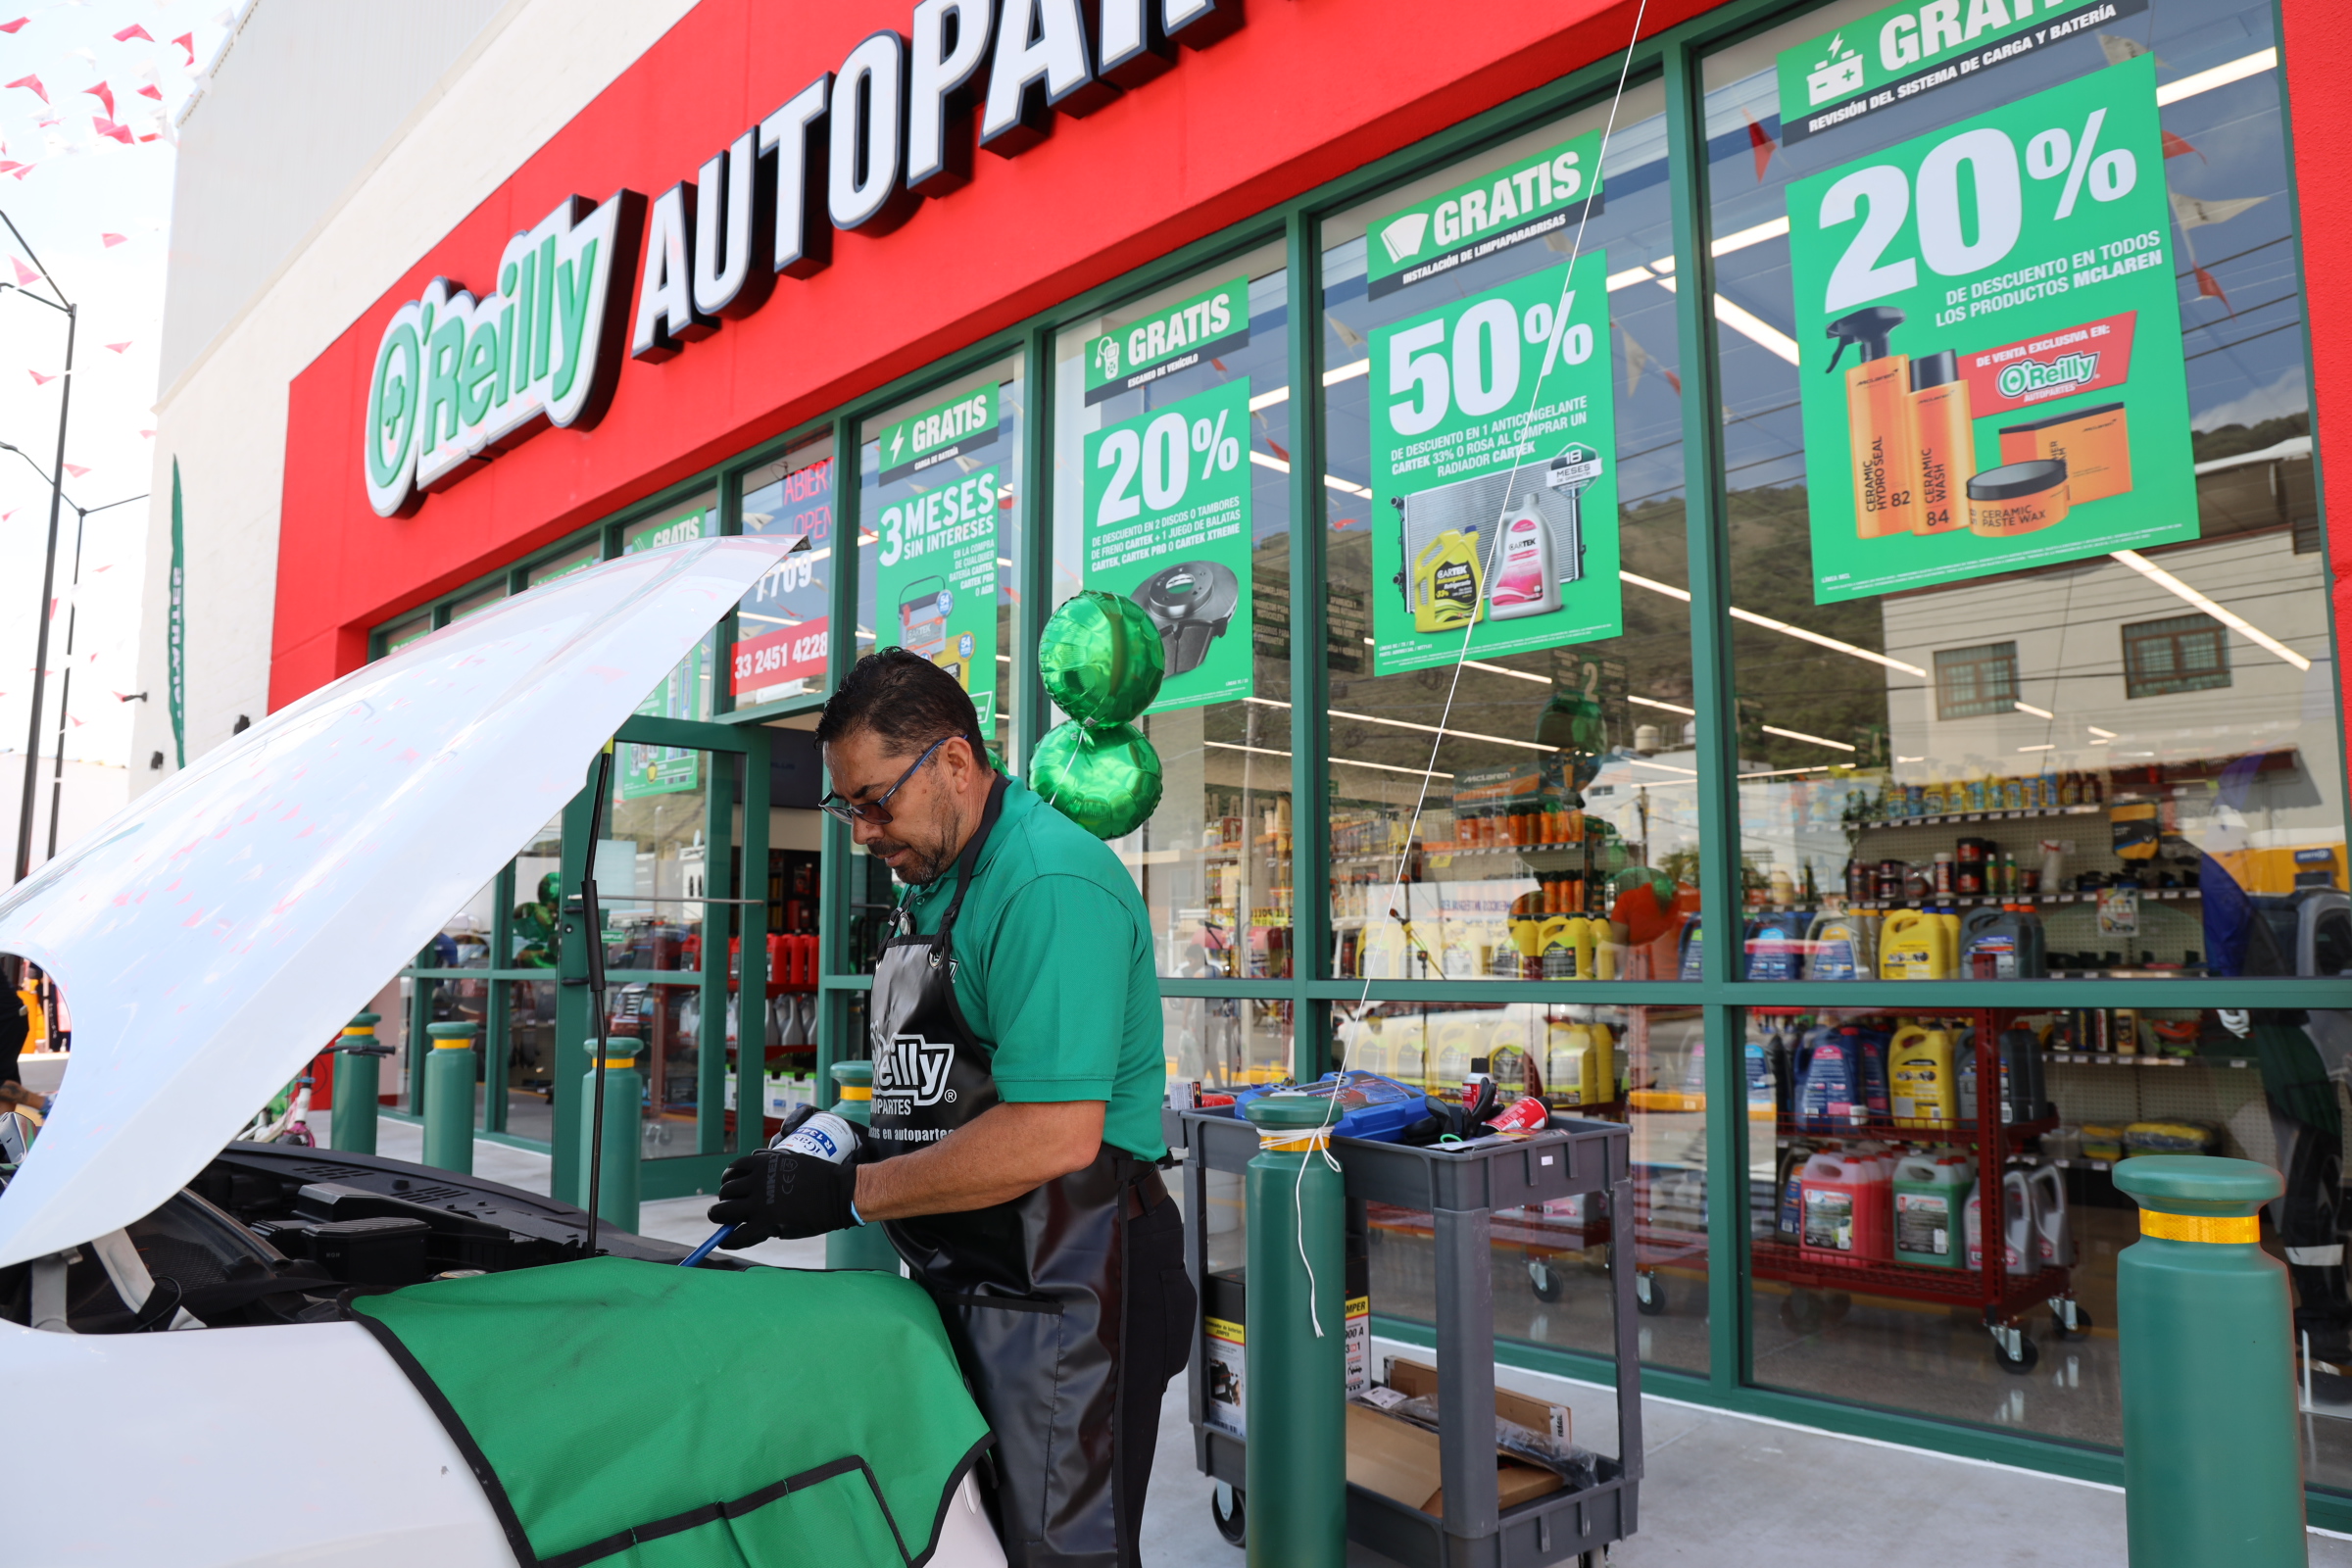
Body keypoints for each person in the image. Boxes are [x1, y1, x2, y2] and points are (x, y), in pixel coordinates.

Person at [709, 649, 1191, 1568]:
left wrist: (849, 1195)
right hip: (974, 1273)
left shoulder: (1047, 886)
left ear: (956, 766)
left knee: (1059, 1550)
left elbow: (1053, 1131)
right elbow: (941, 1077)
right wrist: (839, 1137)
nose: (860, 832)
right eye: (845, 807)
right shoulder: (934, 882)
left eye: (874, 800)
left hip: (1078, 1286)